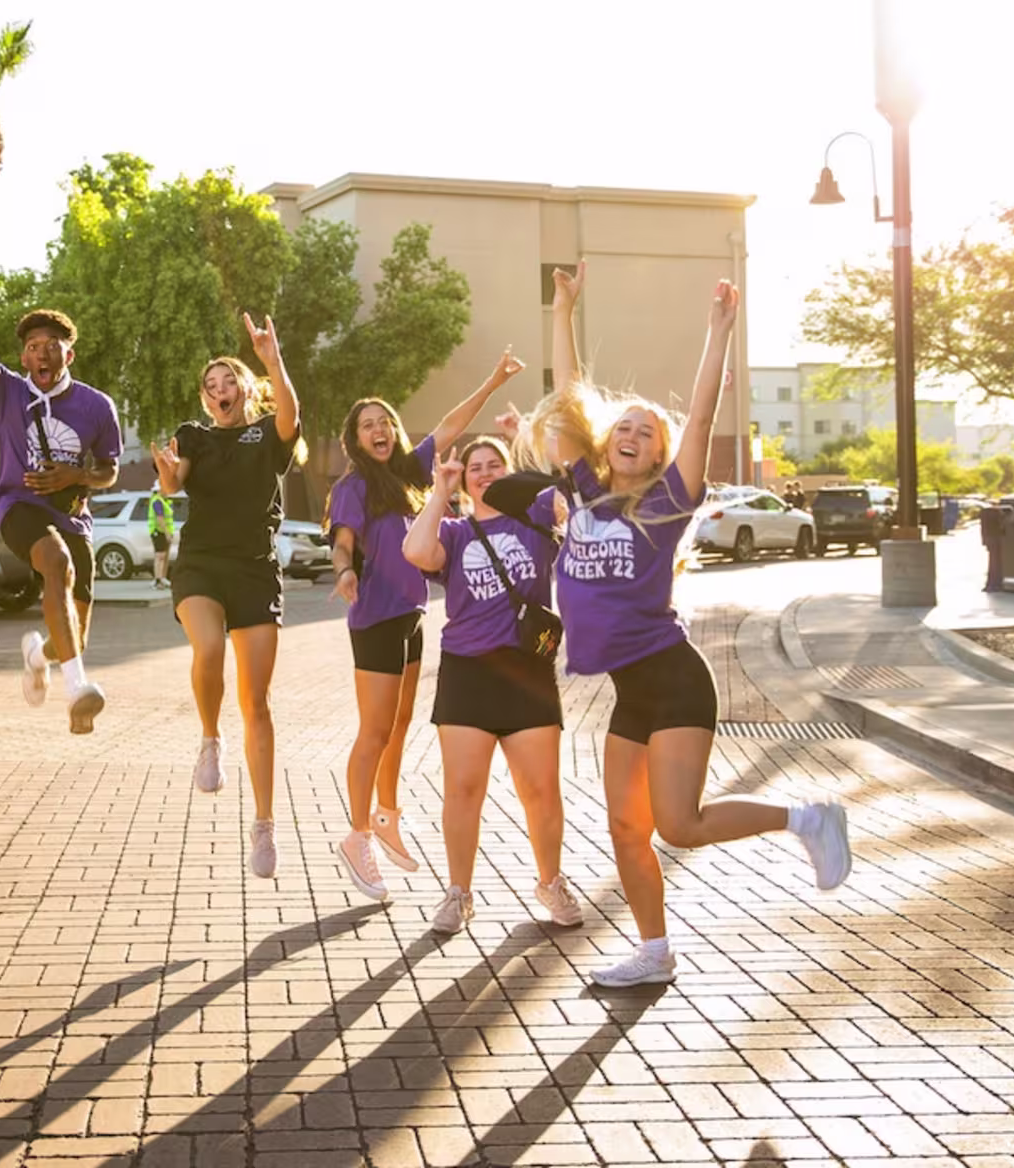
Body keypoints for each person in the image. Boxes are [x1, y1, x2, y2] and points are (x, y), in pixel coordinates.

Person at [500, 263, 852, 987]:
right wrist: (562, 309)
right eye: (622, 427)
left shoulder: (668, 501)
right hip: (633, 693)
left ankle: (808, 819)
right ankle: (654, 953)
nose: (633, 434)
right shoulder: (588, 491)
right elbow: (569, 399)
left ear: (659, 454)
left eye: (645, 432)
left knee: (678, 825)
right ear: (607, 443)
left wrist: (718, 333)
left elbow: (698, 417)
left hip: (676, 682)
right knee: (626, 828)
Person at [326, 349, 525, 901]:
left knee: (399, 726)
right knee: (373, 731)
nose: (379, 430)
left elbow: (449, 427)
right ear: (355, 439)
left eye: (384, 421)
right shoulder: (353, 486)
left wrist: (492, 380)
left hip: (410, 616)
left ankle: (387, 813)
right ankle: (358, 833)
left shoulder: (406, 474)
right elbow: (343, 543)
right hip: (374, 619)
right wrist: (344, 574)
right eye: (367, 426)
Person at [0, 227, 123, 733]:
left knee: (74, 633)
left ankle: (39, 654)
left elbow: (109, 470)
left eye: (52, 346)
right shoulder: (4, 391)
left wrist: (79, 475)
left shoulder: (96, 406)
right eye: (32, 347)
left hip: (73, 516)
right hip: (18, 506)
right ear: (23, 357)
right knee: (55, 564)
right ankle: (77, 690)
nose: (41, 354)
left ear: (70, 354)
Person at [399, 437, 578, 934]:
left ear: (508, 471)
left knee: (541, 791)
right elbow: (415, 550)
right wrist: (440, 491)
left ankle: (550, 882)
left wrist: (533, 453)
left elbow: (573, 493)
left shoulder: (537, 518)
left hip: (527, 672)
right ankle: (459, 894)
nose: (483, 472)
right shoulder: (454, 532)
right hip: (467, 672)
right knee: (462, 790)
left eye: (493, 464)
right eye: (474, 467)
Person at [153, 314, 302, 878]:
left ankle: (263, 825)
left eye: (228, 383)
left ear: (244, 388)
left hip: (255, 571)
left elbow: (290, 416)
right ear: (204, 397)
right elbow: (175, 483)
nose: (220, 392)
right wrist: (167, 474)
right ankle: (210, 739)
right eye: (211, 386)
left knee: (258, 704)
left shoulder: (266, 434)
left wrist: (272, 359)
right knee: (209, 648)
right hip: (201, 566)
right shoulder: (193, 434)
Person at [149, 482, 175, 588]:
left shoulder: (165, 501)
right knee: (160, 556)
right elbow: (160, 519)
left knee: (164, 556)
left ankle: (162, 578)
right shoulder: (157, 501)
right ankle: (158, 580)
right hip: (158, 531)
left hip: (163, 531)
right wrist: (167, 533)